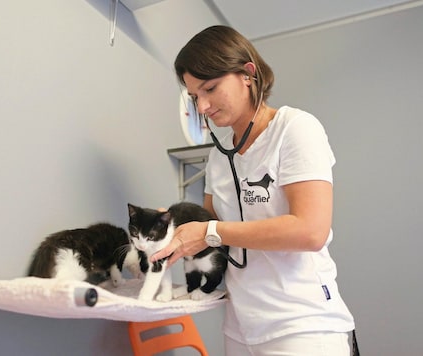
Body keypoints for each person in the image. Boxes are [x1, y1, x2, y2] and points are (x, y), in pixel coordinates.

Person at [150, 25, 356, 355]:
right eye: (194, 97)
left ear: (247, 74)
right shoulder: (218, 157)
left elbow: (310, 231)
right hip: (241, 327)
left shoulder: (294, 129)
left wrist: (211, 231)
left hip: (301, 325)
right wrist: (169, 225)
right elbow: (208, 225)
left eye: (210, 89)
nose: (202, 106)